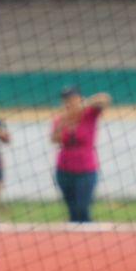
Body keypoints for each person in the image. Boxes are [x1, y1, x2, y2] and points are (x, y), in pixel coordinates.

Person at [51, 86, 110, 223]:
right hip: (64, 169)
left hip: (86, 169)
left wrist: (82, 105)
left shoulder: (89, 114)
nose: (69, 102)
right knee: (72, 211)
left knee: (82, 208)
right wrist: (65, 121)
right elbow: (54, 139)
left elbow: (104, 98)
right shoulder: (61, 118)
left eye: (72, 99)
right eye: (66, 100)